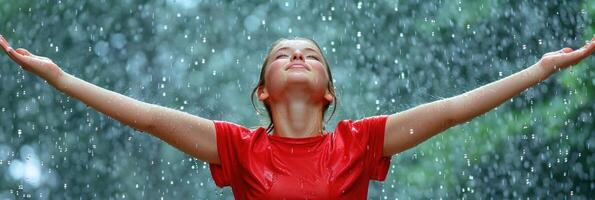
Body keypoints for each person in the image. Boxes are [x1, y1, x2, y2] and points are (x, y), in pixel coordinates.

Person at [1, 34, 593, 199]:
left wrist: (539, 71)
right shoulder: (239, 148)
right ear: (263, 91)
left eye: (311, 54)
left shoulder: (361, 143)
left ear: (329, 94)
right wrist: (59, 78)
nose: (298, 56)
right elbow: (151, 118)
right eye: (284, 54)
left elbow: (452, 111)